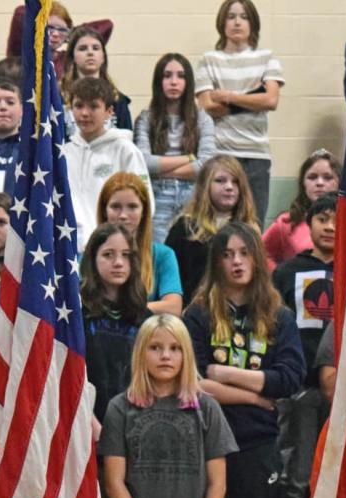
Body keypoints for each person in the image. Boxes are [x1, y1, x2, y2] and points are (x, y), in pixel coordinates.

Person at [182, 221, 305, 498]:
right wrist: (254, 396)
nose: (237, 261)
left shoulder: (280, 315)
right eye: (227, 254)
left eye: (244, 253)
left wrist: (226, 374)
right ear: (216, 263)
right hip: (206, 439)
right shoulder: (198, 315)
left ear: (258, 259)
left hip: (257, 441)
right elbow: (192, 383)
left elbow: (290, 378)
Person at [99, 314, 237, 498]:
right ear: (141, 352)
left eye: (175, 348)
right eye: (155, 347)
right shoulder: (120, 408)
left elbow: (218, 483)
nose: (165, 356)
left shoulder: (207, 407)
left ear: (186, 355)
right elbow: (114, 483)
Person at [271, 192, 336, 498]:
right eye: (322, 218)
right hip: (299, 391)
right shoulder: (287, 272)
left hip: (344, 391)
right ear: (307, 224)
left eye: (338, 219)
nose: (330, 226)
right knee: (295, 476)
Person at [195, 0, 284, 223]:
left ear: (252, 23)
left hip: (256, 155)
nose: (237, 22)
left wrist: (227, 96)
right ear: (222, 22)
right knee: (217, 224)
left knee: (253, 225)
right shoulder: (209, 60)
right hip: (220, 153)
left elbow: (270, 100)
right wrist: (254, 95)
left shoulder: (267, 58)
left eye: (244, 17)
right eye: (231, 16)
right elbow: (206, 106)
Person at [62, 77, 152, 253]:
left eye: (93, 106)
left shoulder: (125, 150)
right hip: (70, 249)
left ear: (109, 111)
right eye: (79, 106)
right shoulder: (63, 154)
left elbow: (145, 200)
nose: (85, 113)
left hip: (112, 248)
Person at [134, 52, 217, 243]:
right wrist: (188, 158)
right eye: (167, 75)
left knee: (191, 254)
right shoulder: (146, 118)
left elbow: (206, 165)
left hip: (193, 195)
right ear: (158, 81)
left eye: (180, 76)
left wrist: (160, 169)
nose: (174, 82)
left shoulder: (202, 118)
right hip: (156, 194)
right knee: (158, 254)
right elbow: (144, 162)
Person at [80, 223, 152, 428]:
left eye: (126, 255)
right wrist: (94, 428)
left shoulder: (144, 317)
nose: (118, 262)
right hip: (88, 423)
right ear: (92, 259)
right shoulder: (77, 311)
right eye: (108, 255)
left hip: (135, 424)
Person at [165, 155, 258, 308]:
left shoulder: (251, 230)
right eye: (220, 180)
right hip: (195, 313)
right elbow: (171, 281)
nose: (229, 187)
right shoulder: (185, 228)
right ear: (205, 186)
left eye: (235, 181)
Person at [98, 172, 183, 316]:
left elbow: (173, 307)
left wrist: (120, 312)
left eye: (132, 207)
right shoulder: (89, 254)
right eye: (115, 207)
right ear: (104, 210)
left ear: (144, 211)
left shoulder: (163, 255)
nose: (123, 215)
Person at [262, 149, 341, 269]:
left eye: (327, 178)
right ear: (303, 183)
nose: (319, 183)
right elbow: (261, 252)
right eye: (312, 177)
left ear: (339, 183)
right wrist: (281, 277)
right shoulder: (287, 222)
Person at [60, 25, 132, 135]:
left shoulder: (118, 100)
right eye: (83, 48)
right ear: (72, 57)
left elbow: (127, 141)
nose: (90, 53)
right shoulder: (59, 97)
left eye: (96, 48)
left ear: (103, 57)